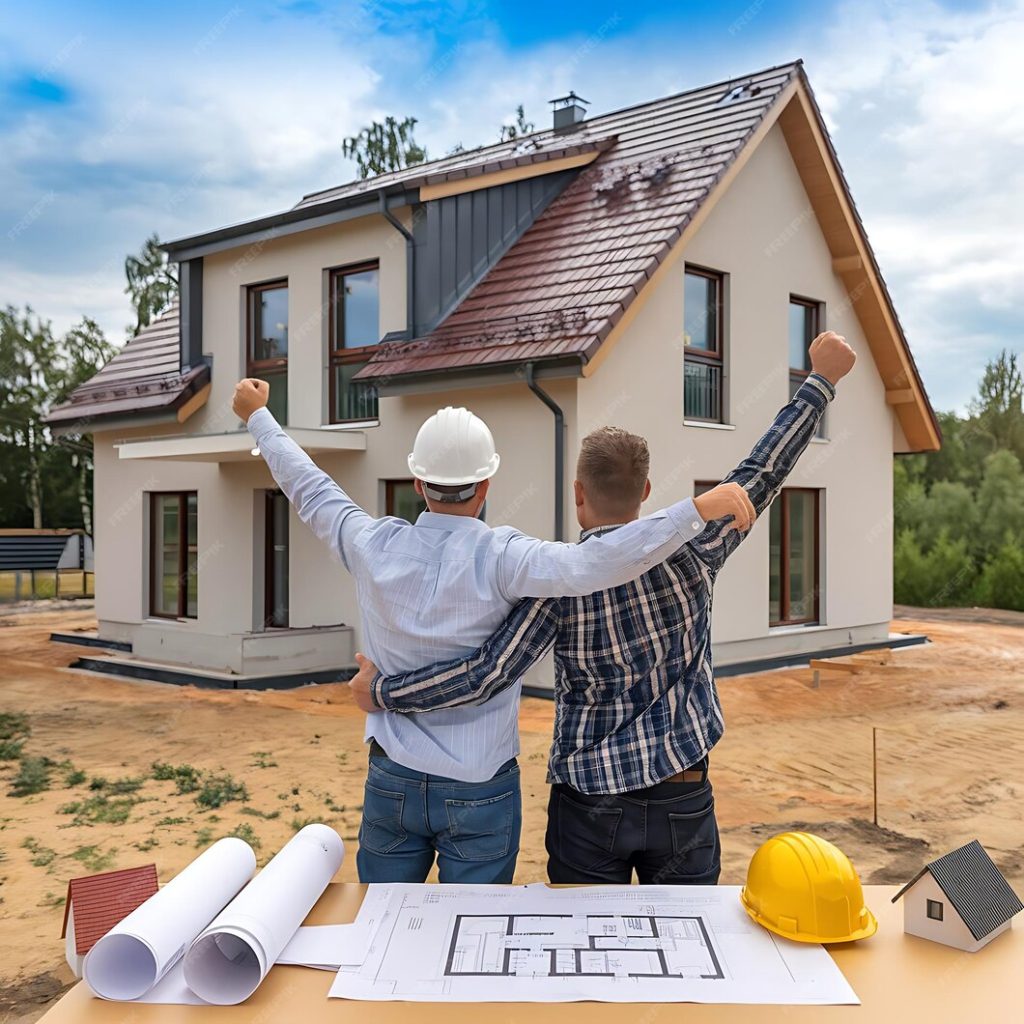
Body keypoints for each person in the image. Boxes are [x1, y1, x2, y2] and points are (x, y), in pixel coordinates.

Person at [347, 330, 856, 885]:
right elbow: (761, 475)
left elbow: (485, 673)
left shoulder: (556, 590)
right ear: (645, 492)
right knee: (684, 948)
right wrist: (819, 382)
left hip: (587, 805)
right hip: (681, 788)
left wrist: (383, 693)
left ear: (577, 494)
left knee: (585, 956)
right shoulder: (695, 553)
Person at [232, 385, 753, 883]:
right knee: (473, 939)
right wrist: (692, 512)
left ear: (417, 483)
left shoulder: (370, 544)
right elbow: (595, 561)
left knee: (385, 926)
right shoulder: (506, 557)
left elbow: (308, 486)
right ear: (485, 486)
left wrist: (259, 415)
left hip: (393, 779)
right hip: (481, 789)